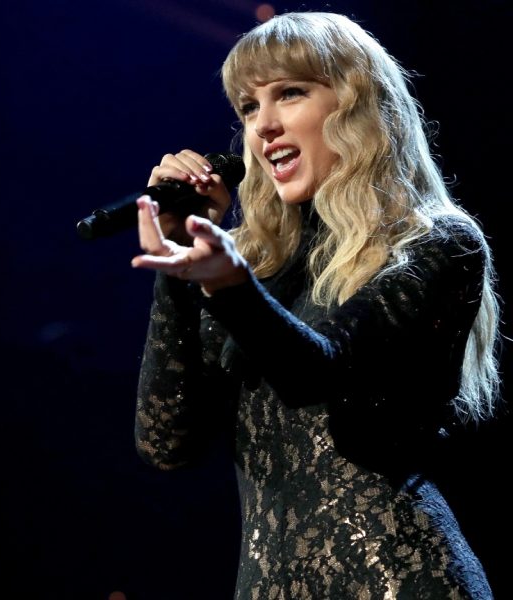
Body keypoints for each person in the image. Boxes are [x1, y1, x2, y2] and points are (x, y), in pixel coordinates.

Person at [132, 12, 500, 599]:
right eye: (249, 108)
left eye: (290, 93)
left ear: (355, 105)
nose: (264, 127)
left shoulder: (435, 241)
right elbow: (165, 442)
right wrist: (178, 259)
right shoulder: (260, 269)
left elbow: (317, 369)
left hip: (395, 578)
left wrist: (229, 285)